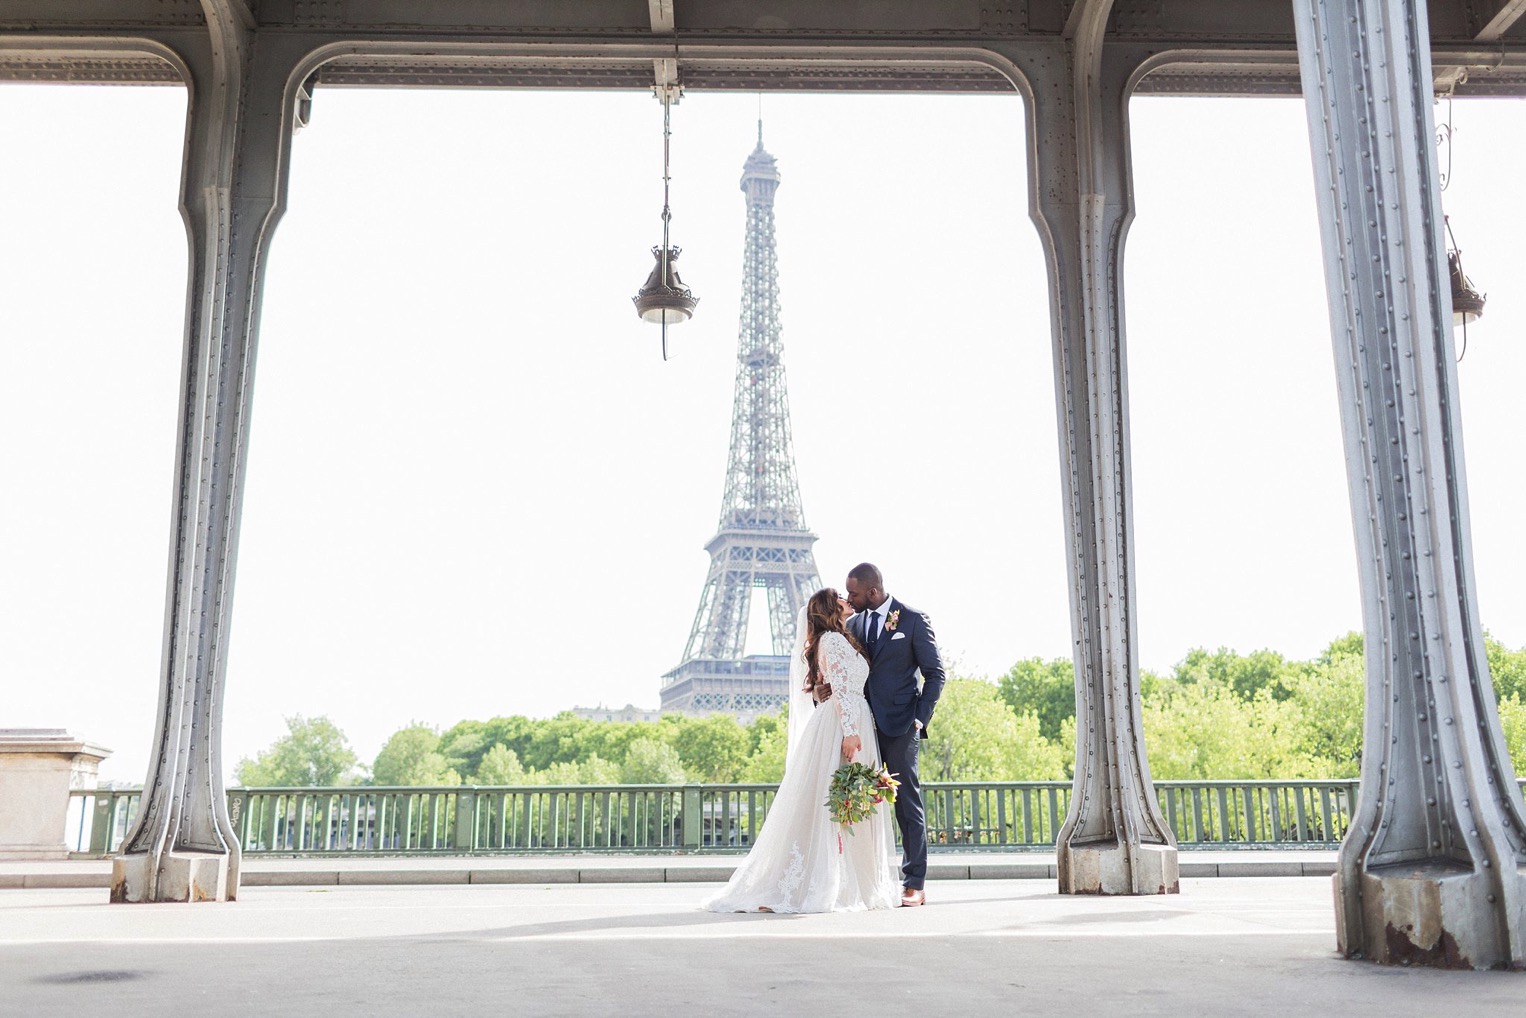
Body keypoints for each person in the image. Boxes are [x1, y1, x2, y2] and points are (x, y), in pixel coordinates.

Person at [700, 588, 900, 914]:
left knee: (838, 800)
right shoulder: (833, 641)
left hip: (845, 718)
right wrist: (850, 733)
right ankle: (832, 884)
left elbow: (832, 687)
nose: (846, 598)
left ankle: (833, 881)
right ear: (828, 608)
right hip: (844, 723)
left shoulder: (838, 638)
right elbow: (843, 692)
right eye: (839, 596)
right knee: (840, 800)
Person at [843, 562, 945, 907]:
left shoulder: (913, 619)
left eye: (853, 593)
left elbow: (935, 674)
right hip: (861, 727)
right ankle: (860, 879)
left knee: (906, 803)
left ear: (873, 591)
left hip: (901, 726)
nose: (848, 598)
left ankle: (914, 881)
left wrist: (919, 719)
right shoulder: (853, 623)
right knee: (853, 800)